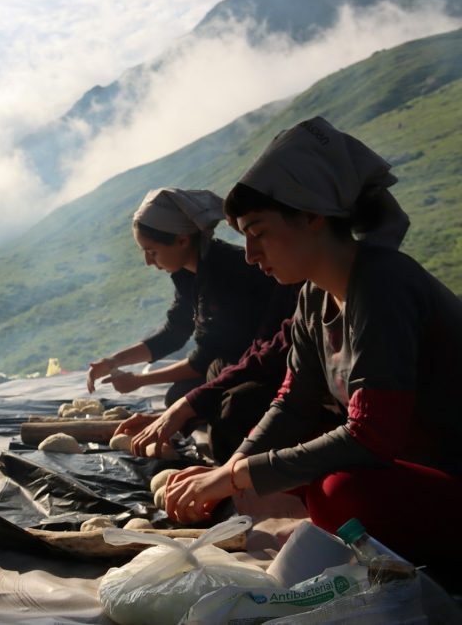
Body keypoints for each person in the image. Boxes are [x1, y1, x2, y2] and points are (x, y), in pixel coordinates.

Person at [165, 117, 462, 565]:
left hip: (448, 469)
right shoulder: (313, 297)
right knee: (289, 457)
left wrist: (238, 476)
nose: (251, 255)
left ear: (311, 215)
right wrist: (229, 469)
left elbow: (371, 436)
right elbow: (293, 402)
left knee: (337, 489)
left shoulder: (382, 284)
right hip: (410, 465)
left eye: (259, 233)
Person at [86, 188, 297, 406]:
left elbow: (203, 359)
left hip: (263, 364)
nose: (148, 262)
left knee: (199, 399)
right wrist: (113, 361)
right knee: (178, 395)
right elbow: (174, 332)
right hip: (229, 361)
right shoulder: (187, 275)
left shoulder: (225, 274)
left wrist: (139, 380)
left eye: (152, 252)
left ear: (182, 240)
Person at [117, 317, 294, 463]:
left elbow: (270, 356)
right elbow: (260, 345)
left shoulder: (301, 302)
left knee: (232, 410)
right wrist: (176, 415)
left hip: (279, 377)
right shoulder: (285, 293)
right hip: (245, 362)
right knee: (181, 394)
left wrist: (184, 408)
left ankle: (236, 464)